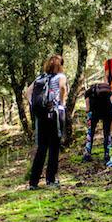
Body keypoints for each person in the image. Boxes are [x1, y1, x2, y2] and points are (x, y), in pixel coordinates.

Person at [26, 55, 68, 189]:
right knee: (54, 146)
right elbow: (62, 88)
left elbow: (27, 92)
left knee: (42, 148)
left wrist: (34, 105)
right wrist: (61, 104)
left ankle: (33, 183)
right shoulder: (60, 76)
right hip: (54, 113)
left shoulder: (40, 77)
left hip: (41, 115)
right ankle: (50, 180)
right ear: (60, 65)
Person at [82, 82, 112, 163]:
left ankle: (87, 154)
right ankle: (107, 154)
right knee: (107, 132)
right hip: (108, 109)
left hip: (94, 111)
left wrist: (88, 113)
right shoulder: (108, 91)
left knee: (90, 132)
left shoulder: (88, 92)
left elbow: (88, 109)